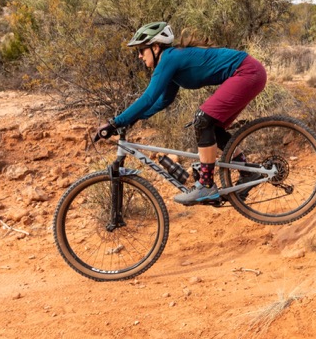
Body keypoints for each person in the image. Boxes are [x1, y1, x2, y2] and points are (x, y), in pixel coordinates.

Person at [97, 21, 267, 205]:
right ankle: (248, 172)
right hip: (251, 72)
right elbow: (163, 100)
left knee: (202, 120)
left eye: (141, 50)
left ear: (155, 47)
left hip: (247, 72)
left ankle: (206, 185)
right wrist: (132, 119)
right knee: (212, 127)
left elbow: (148, 98)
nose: (139, 56)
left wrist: (115, 122)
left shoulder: (169, 58)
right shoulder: (171, 61)